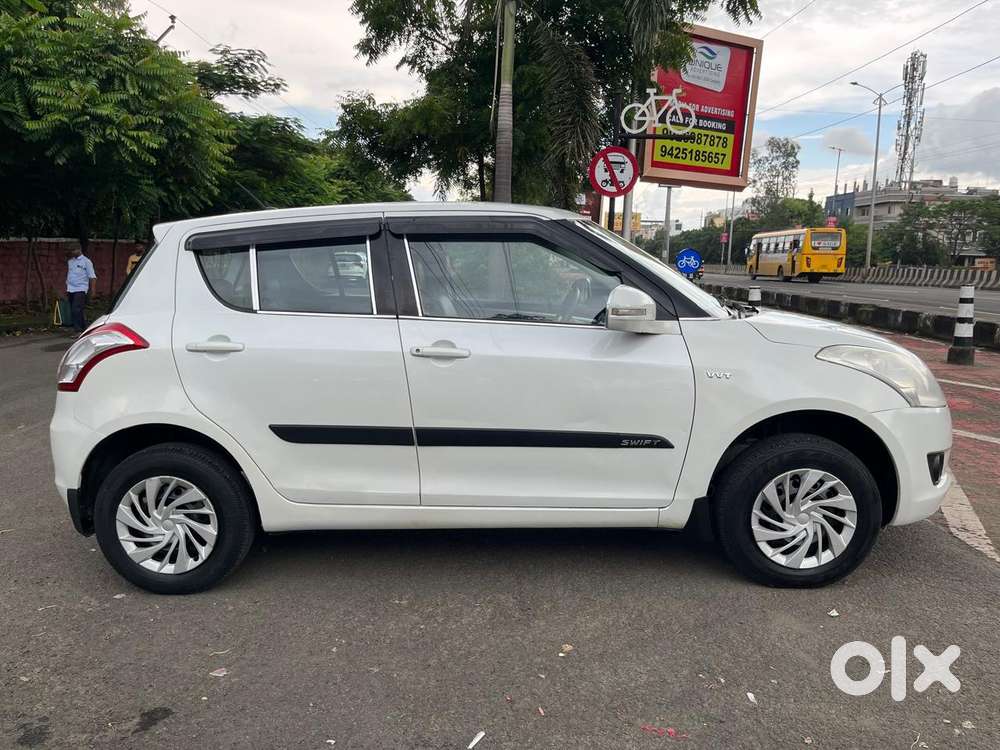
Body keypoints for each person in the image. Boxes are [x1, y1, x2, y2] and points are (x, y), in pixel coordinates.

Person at [66, 245, 97, 335]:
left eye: (73, 250)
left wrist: (93, 290)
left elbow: (92, 277)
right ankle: (84, 328)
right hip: (70, 288)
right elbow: (70, 275)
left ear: (79, 249)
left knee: (76, 309)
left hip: (81, 288)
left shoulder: (86, 262)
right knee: (76, 309)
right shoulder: (70, 261)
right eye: (71, 250)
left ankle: (78, 330)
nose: (72, 252)